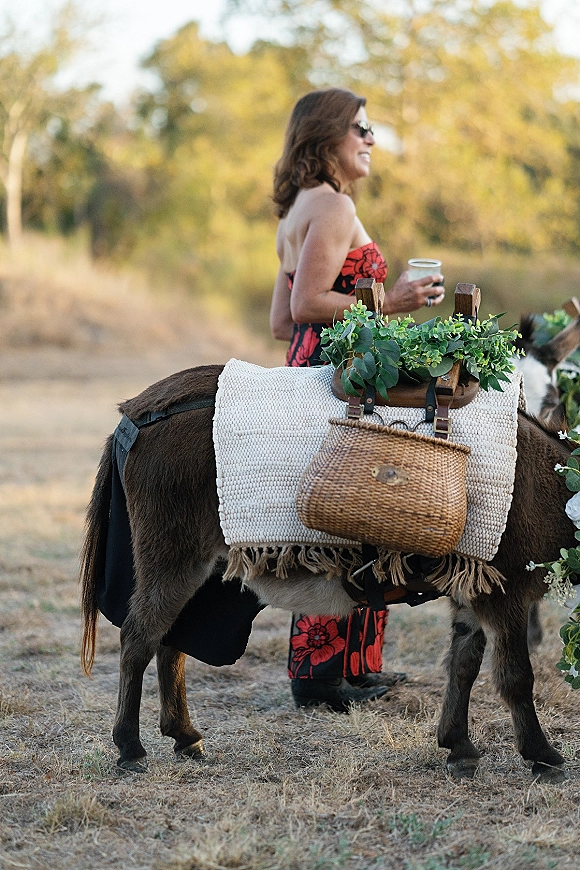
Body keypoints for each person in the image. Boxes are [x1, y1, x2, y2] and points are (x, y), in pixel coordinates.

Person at [269, 87, 445, 713]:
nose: (371, 139)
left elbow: (281, 325)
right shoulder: (334, 205)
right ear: (326, 139)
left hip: (310, 366)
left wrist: (351, 326)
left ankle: (349, 667)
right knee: (355, 513)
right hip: (338, 378)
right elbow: (305, 306)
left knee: (338, 514)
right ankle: (322, 677)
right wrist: (390, 305)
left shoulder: (298, 207)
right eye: (360, 129)